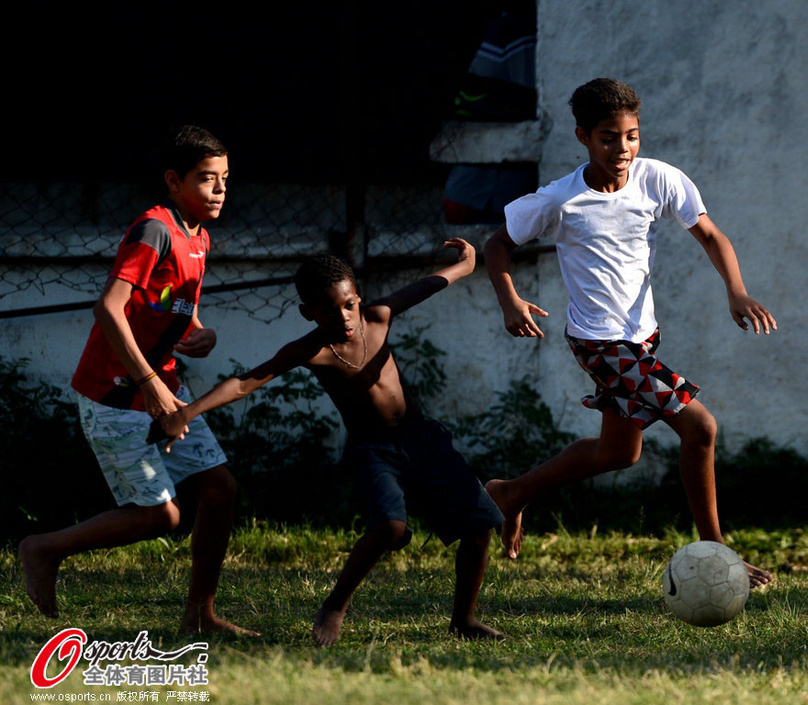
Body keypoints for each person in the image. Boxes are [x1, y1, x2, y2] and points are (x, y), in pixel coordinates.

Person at [483, 78, 777, 587]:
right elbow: (496, 246)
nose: (622, 149)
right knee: (700, 427)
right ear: (582, 137)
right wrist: (510, 301)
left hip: (642, 337)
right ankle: (717, 553)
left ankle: (509, 493)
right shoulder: (561, 199)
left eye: (632, 136)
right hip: (600, 344)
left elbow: (711, 235)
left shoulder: (658, 180)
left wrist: (736, 290)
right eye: (607, 137)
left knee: (617, 454)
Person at [150, 239, 505, 646]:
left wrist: (466, 264)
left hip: (422, 438)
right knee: (389, 526)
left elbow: (424, 286)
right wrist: (187, 412)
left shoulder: (378, 316)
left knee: (480, 528)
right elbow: (247, 381)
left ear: (359, 298)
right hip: (374, 451)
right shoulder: (311, 350)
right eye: (328, 309)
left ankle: (464, 619)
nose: (344, 316)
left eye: (349, 304)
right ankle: (334, 606)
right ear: (308, 313)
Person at [19, 125, 257, 635]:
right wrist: (150, 384)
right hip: (117, 394)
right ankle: (42, 548)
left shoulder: (199, 235)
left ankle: (200, 614)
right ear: (173, 181)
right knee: (160, 517)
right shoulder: (155, 229)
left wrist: (199, 332)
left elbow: (168, 301)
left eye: (225, 179)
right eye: (206, 179)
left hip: (163, 387)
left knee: (220, 489)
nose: (219, 189)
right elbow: (109, 307)